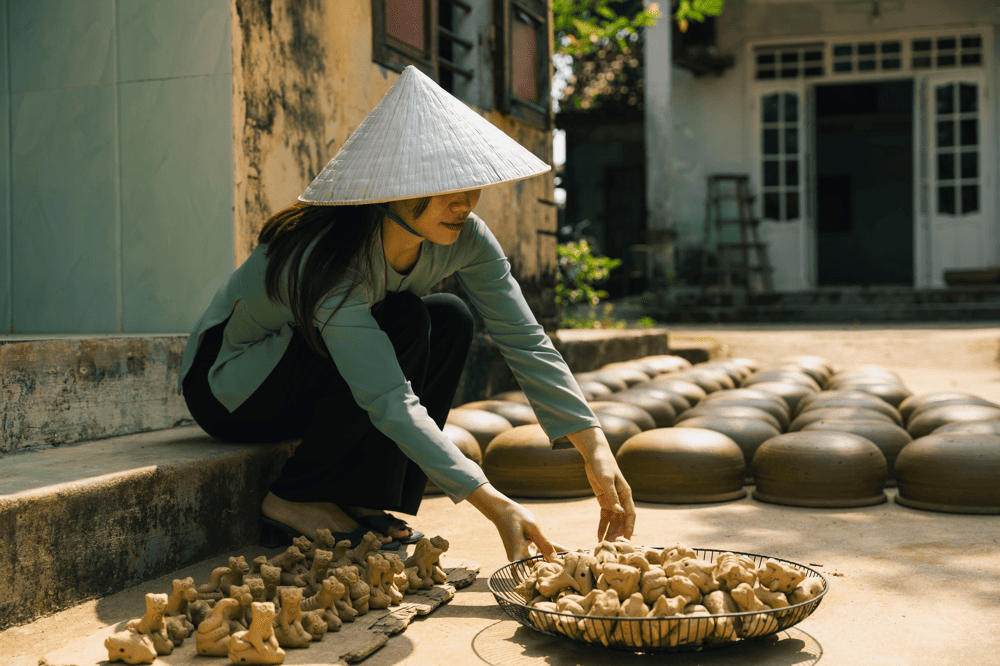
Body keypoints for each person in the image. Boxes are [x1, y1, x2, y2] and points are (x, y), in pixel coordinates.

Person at [179, 66, 636, 561]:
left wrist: (594, 447)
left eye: (471, 184)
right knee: (405, 317)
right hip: (229, 388)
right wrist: (494, 503)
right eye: (443, 186)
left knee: (449, 318)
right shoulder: (329, 259)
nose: (463, 203)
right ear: (392, 188)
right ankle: (295, 497)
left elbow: (524, 338)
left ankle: (359, 497)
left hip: (301, 377)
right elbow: (388, 398)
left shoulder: (467, 239)